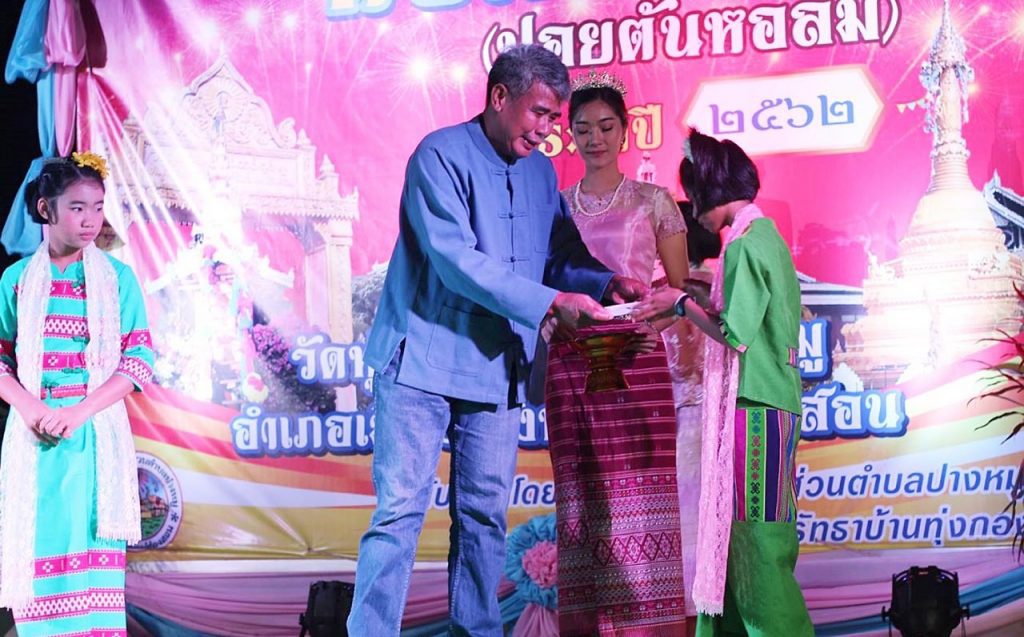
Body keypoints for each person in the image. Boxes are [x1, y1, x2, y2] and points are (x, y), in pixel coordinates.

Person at [348, 45, 646, 637]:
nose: (546, 129)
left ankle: (477, 631)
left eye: (554, 118)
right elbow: (455, 260)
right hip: (421, 362)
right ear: (499, 97)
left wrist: (604, 282)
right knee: (399, 514)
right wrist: (550, 304)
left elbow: (559, 251)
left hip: (496, 369)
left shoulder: (540, 173)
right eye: (539, 113)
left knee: (484, 516)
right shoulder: (438, 156)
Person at [634, 129, 813, 637]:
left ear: (712, 191)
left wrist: (680, 304)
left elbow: (734, 334)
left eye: (695, 201)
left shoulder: (743, 247)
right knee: (744, 540)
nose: (695, 216)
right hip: (772, 405)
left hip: (753, 410)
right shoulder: (767, 237)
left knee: (755, 544)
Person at [543, 71, 691, 636]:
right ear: (569, 135)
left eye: (606, 127)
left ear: (626, 131)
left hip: (637, 366)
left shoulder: (655, 202)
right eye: (583, 128)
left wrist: (651, 320)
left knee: (641, 499)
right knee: (582, 503)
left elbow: (680, 292)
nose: (595, 138)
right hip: (571, 367)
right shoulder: (555, 208)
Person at [0, 152, 154, 637]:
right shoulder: (16, 280)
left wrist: (79, 413)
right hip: (35, 439)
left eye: (98, 207)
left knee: (90, 563)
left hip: (92, 439)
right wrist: (31, 407)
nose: (90, 220)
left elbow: (138, 360)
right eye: (77, 207)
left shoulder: (118, 279)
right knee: (39, 557)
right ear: (46, 209)